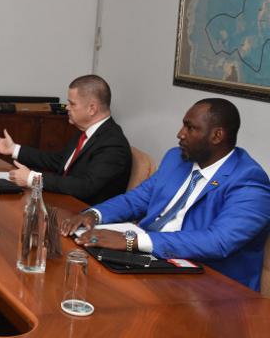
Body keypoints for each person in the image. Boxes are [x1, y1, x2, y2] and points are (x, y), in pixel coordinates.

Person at [61, 98, 270, 291]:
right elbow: (137, 199)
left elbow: (218, 241)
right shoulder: (177, 158)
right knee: (77, 272)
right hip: (152, 260)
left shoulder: (249, 181)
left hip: (209, 285)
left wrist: (132, 241)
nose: (180, 134)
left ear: (217, 136)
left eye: (190, 128)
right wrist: (93, 214)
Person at [0, 75, 131, 205]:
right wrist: (14, 149)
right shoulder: (85, 131)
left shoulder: (113, 144)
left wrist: (33, 179)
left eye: (72, 104)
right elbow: (59, 161)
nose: (67, 108)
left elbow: (85, 186)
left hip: (83, 212)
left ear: (92, 109)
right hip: (64, 201)